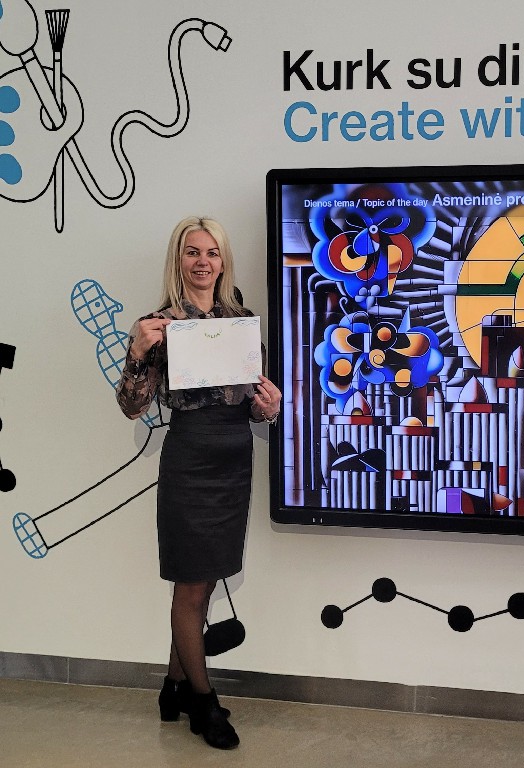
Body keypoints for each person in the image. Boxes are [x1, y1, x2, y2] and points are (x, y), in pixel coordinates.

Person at [115, 216, 280, 750]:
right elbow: (132, 407)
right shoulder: (157, 325)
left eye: (212, 252)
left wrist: (270, 408)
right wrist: (137, 353)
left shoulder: (242, 321)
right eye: (192, 252)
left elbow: (254, 406)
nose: (203, 261)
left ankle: (174, 688)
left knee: (204, 582)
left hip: (234, 462)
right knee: (190, 586)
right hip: (189, 462)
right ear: (178, 260)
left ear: (223, 260)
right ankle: (203, 702)